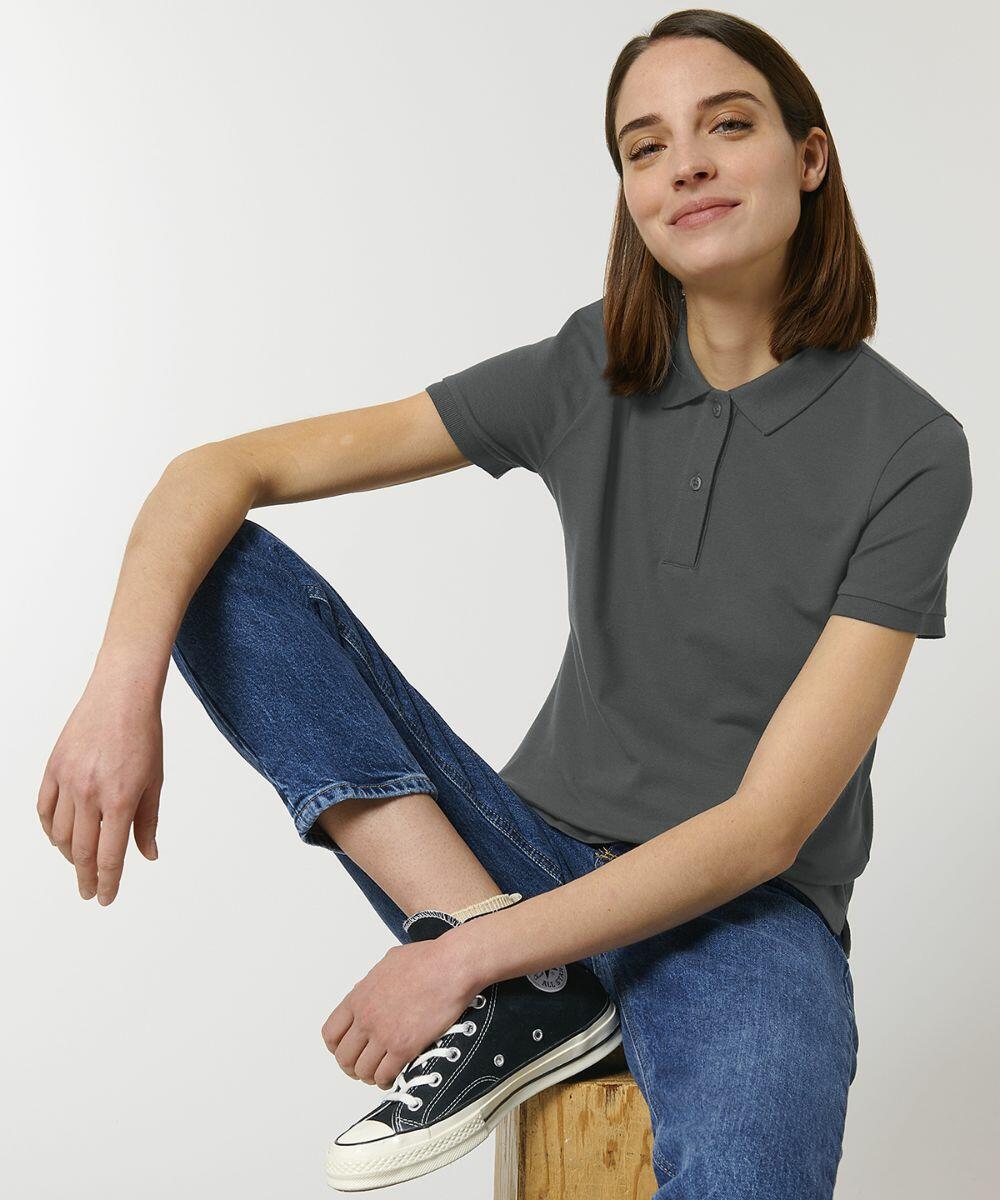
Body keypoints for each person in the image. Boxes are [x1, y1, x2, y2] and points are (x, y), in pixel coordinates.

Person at [36, 10, 974, 1198]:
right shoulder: (590, 370)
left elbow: (766, 830)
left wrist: (461, 965)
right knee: (222, 568)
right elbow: (216, 472)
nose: (682, 161)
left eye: (725, 125)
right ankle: (532, 986)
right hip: (515, 864)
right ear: (628, 190)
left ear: (810, 157)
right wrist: (120, 689)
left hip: (748, 914)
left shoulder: (908, 448)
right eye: (643, 146)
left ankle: (511, 978)